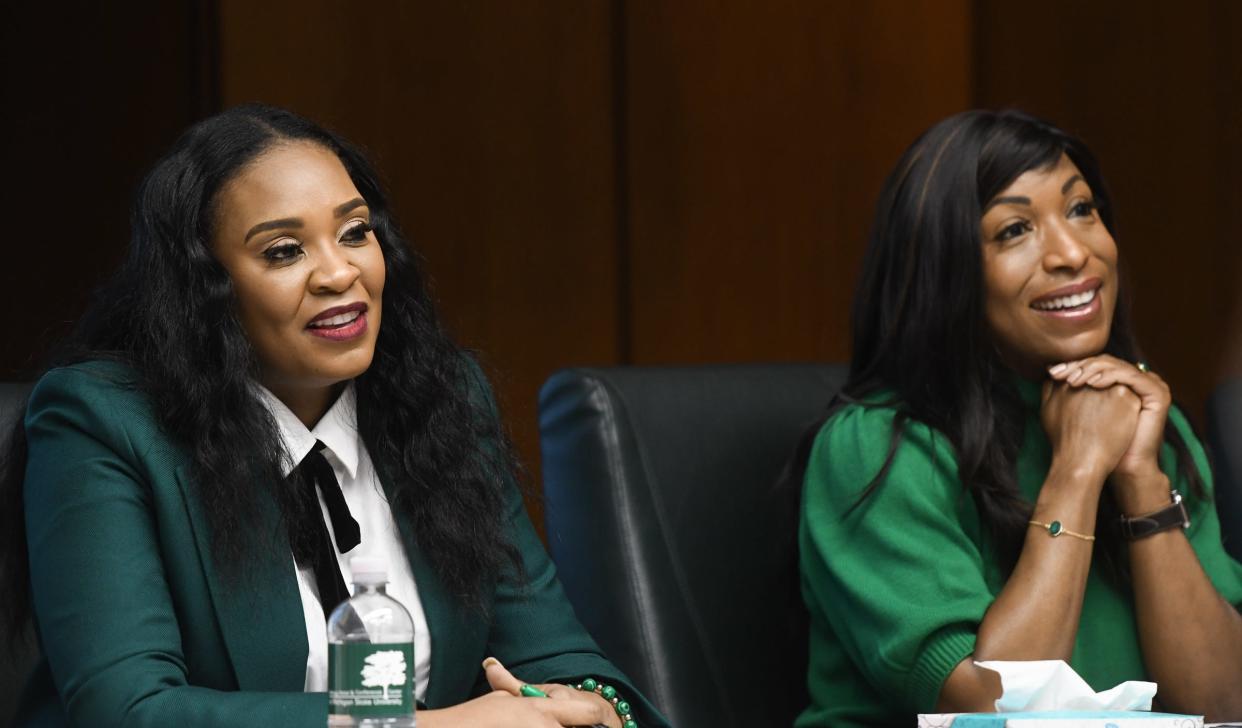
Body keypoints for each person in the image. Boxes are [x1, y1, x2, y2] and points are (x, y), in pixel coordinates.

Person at [0, 104, 666, 728]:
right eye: (285, 251)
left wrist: (586, 710)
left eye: (354, 233)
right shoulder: (101, 423)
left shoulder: (438, 399)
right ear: (207, 290)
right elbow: (129, 712)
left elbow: (556, 655)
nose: (338, 273)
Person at [795, 110, 1242, 726]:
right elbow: (990, 710)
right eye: (1013, 231)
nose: (1071, 252)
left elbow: (1224, 705)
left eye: (1081, 209)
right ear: (945, 273)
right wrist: (1078, 472)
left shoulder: (1142, 424)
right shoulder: (878, 448)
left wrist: (1139, 479)